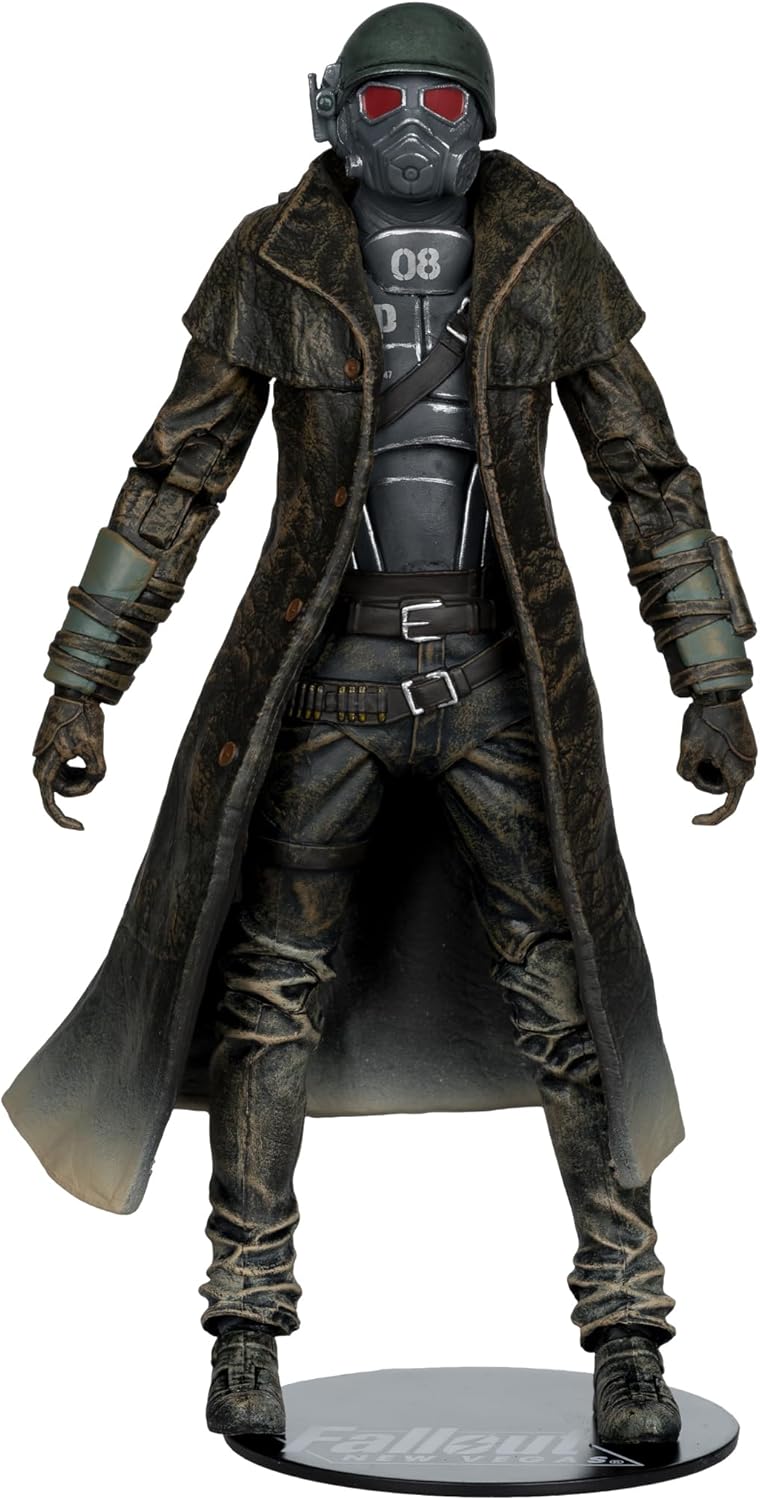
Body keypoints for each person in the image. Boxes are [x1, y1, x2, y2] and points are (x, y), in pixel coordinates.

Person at [5, 2, 755, 1451]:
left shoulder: (545, 250)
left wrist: (710, 674)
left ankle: (629, 1332)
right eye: (390, 98)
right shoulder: (276, 257)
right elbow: (176, 479)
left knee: (573, 1002)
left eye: (446, 102)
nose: (417, 127)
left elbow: (647, 474)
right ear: (336, 115)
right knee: (267, 1000)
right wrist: (85, 673)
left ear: (486, 120)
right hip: (322, 680)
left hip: (501, 681)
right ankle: (245, 1321)